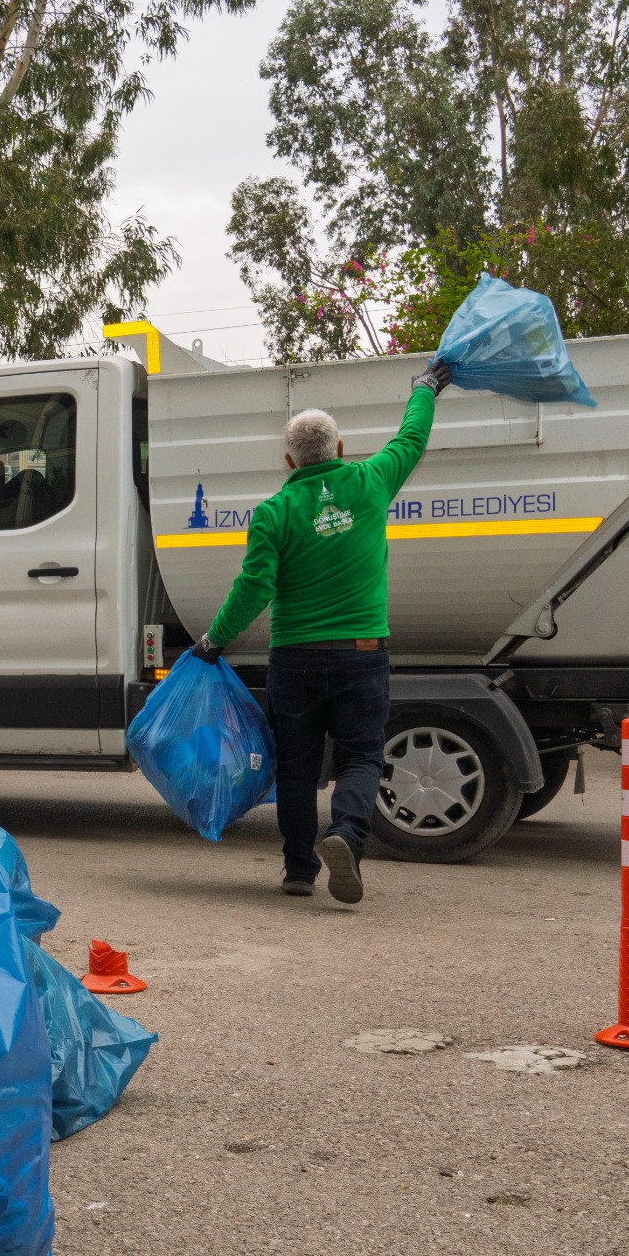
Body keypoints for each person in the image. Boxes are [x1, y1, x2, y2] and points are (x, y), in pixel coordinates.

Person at [196, 359, 453, 903]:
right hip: (362, 652)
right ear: (340, 449)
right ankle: (347, 835)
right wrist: (425, 388)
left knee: (296, 765)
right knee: (361, 757)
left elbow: (254, 588)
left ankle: (297, 870)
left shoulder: (273, 512)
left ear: (289, 459)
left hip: (295, 658)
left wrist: (214, 641)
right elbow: (412, 436)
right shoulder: (370, 479)